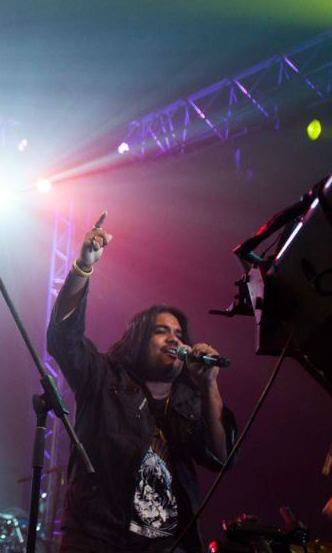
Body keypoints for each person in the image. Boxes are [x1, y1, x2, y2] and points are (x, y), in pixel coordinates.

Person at [46, 212, 237, 553]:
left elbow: (221, 458)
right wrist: (83, 267)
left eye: (178, 334)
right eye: (161, 331)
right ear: (138, 339)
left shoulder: (190, 400)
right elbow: (64, 338)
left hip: (166, 544)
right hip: (97, 539)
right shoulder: (103, 376)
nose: (174, 340)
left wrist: (209, 385)